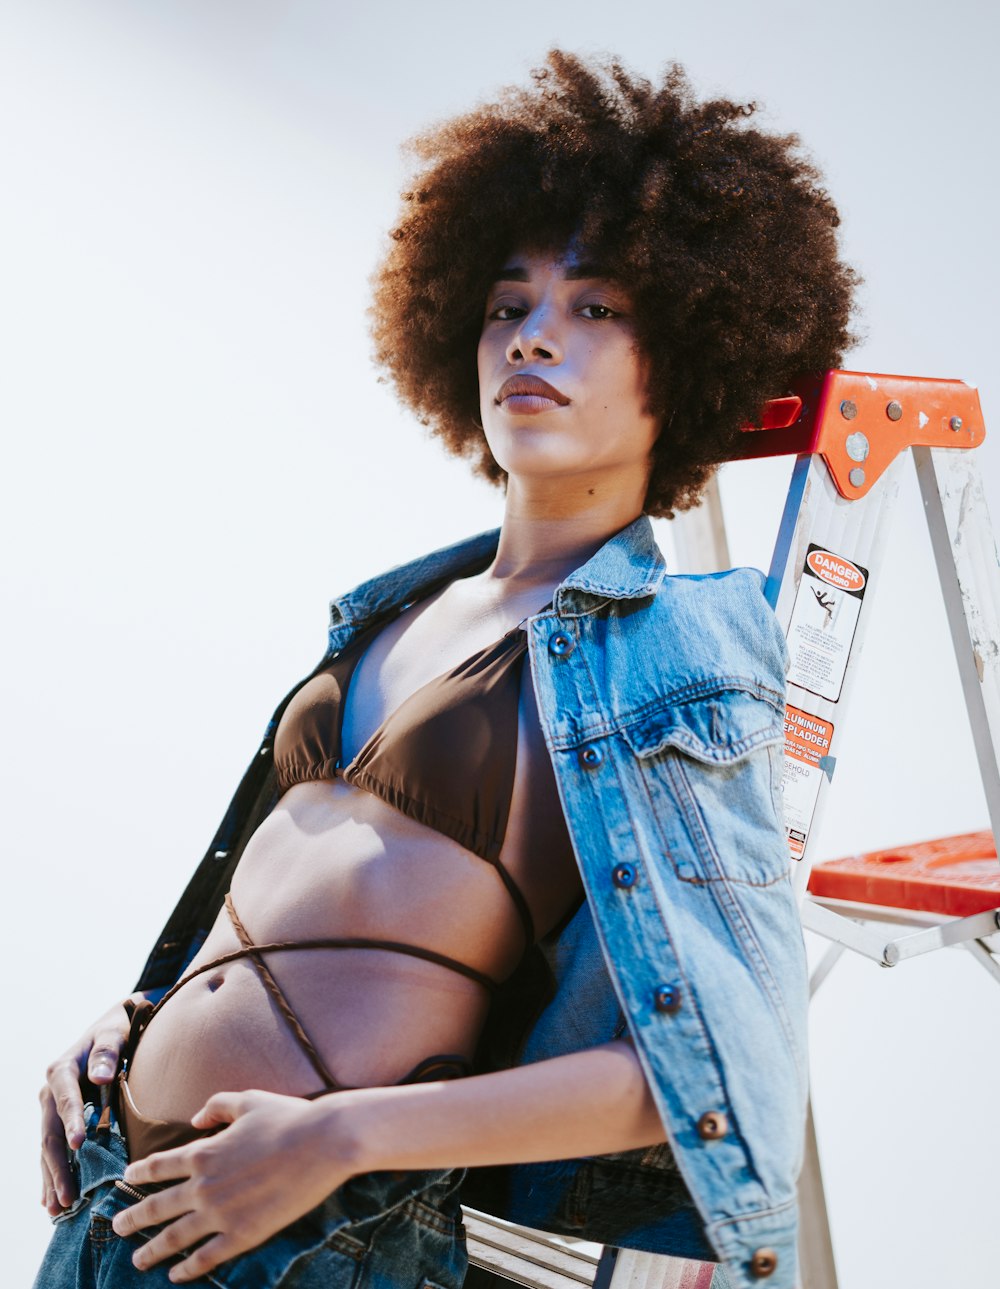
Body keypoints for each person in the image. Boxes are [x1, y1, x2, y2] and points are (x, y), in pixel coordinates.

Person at [36, 51, 856, 1289]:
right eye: (506, 303)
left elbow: (713, 1073)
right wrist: (132, 1023)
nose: (533, 337)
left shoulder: (672, 643)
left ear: (683, 361)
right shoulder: (391, 607)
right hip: (120, 1202)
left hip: (310, 1238)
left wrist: (333, 1137)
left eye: (595, 308)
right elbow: (296, 893)